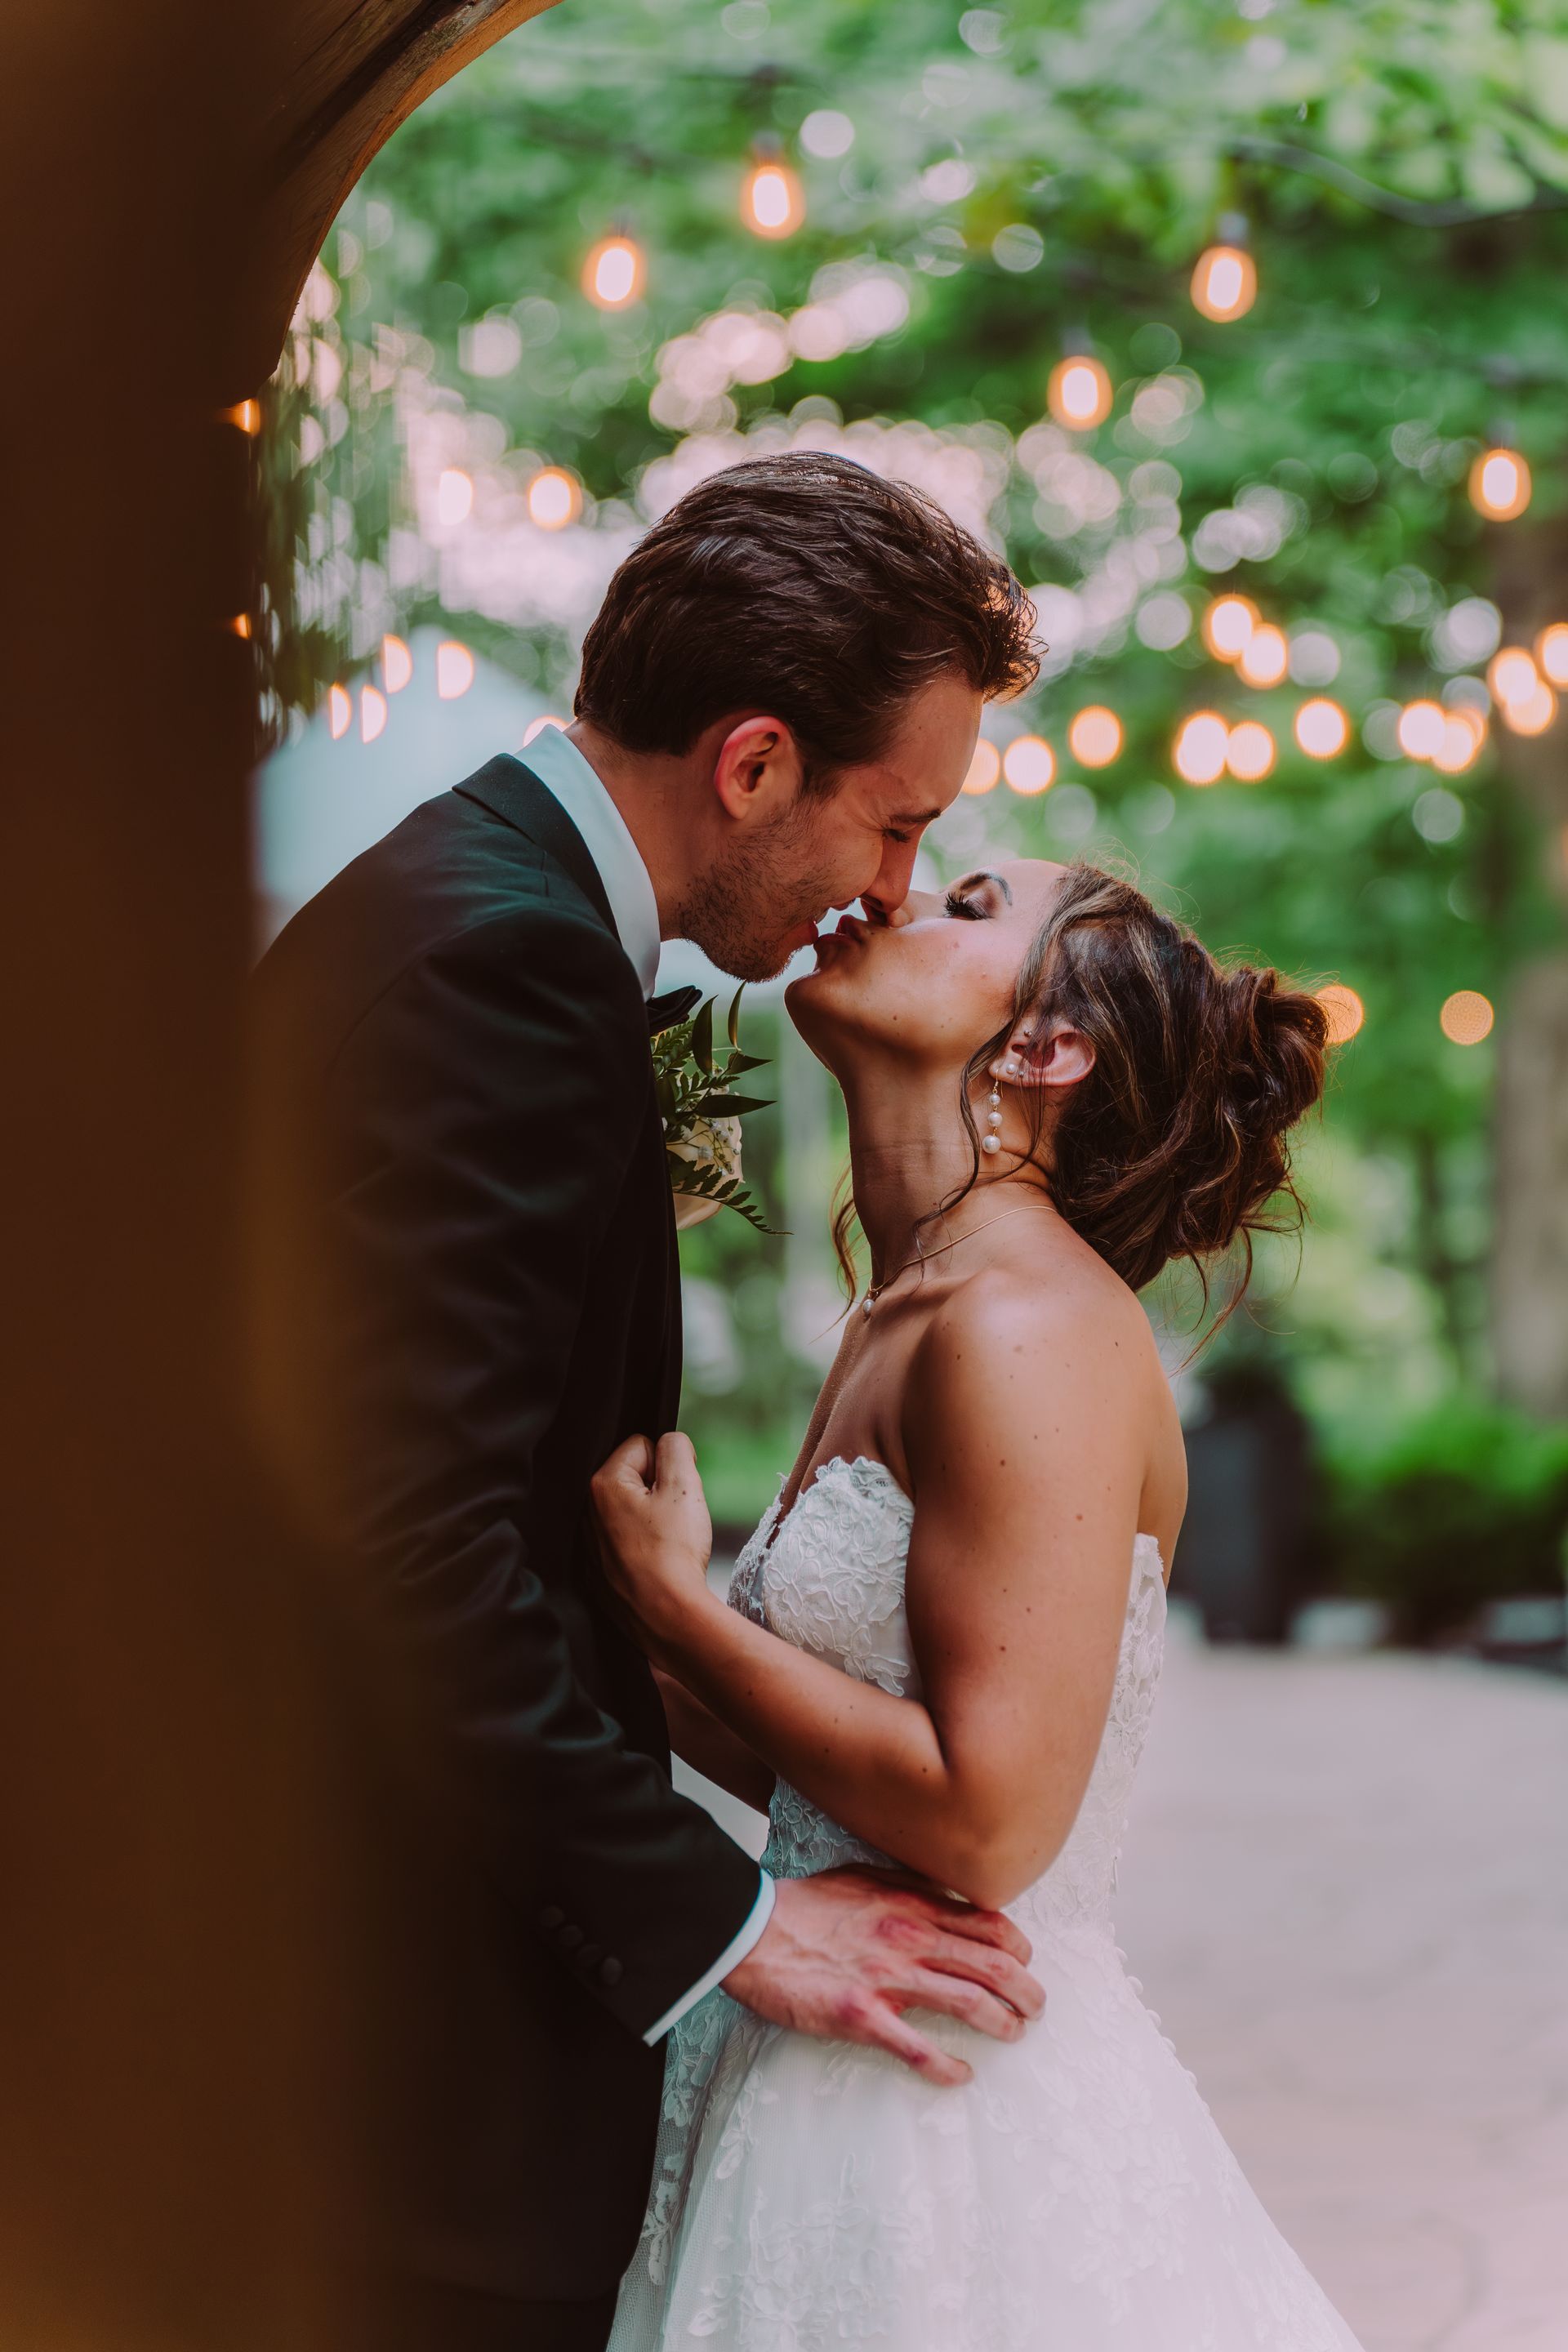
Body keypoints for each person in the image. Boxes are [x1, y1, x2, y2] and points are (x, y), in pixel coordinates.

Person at [246, 452, 1046, 2352]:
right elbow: (399, 1539)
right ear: (756, 762)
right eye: (895, 823)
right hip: (399, 2073)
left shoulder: (477, 901)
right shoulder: (503, 965)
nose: (899, 888)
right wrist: (736, 1925)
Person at [592, 860, 1366, 2350]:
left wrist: (679, 1613)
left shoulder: (1030, 1325)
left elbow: (990, 1821)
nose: (879, 897)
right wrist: (610, 1611)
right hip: (810, 2049)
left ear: (1046, 1047)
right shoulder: (907, 1305)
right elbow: (835, 1760)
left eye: (964, 903)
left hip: (942, 2125)